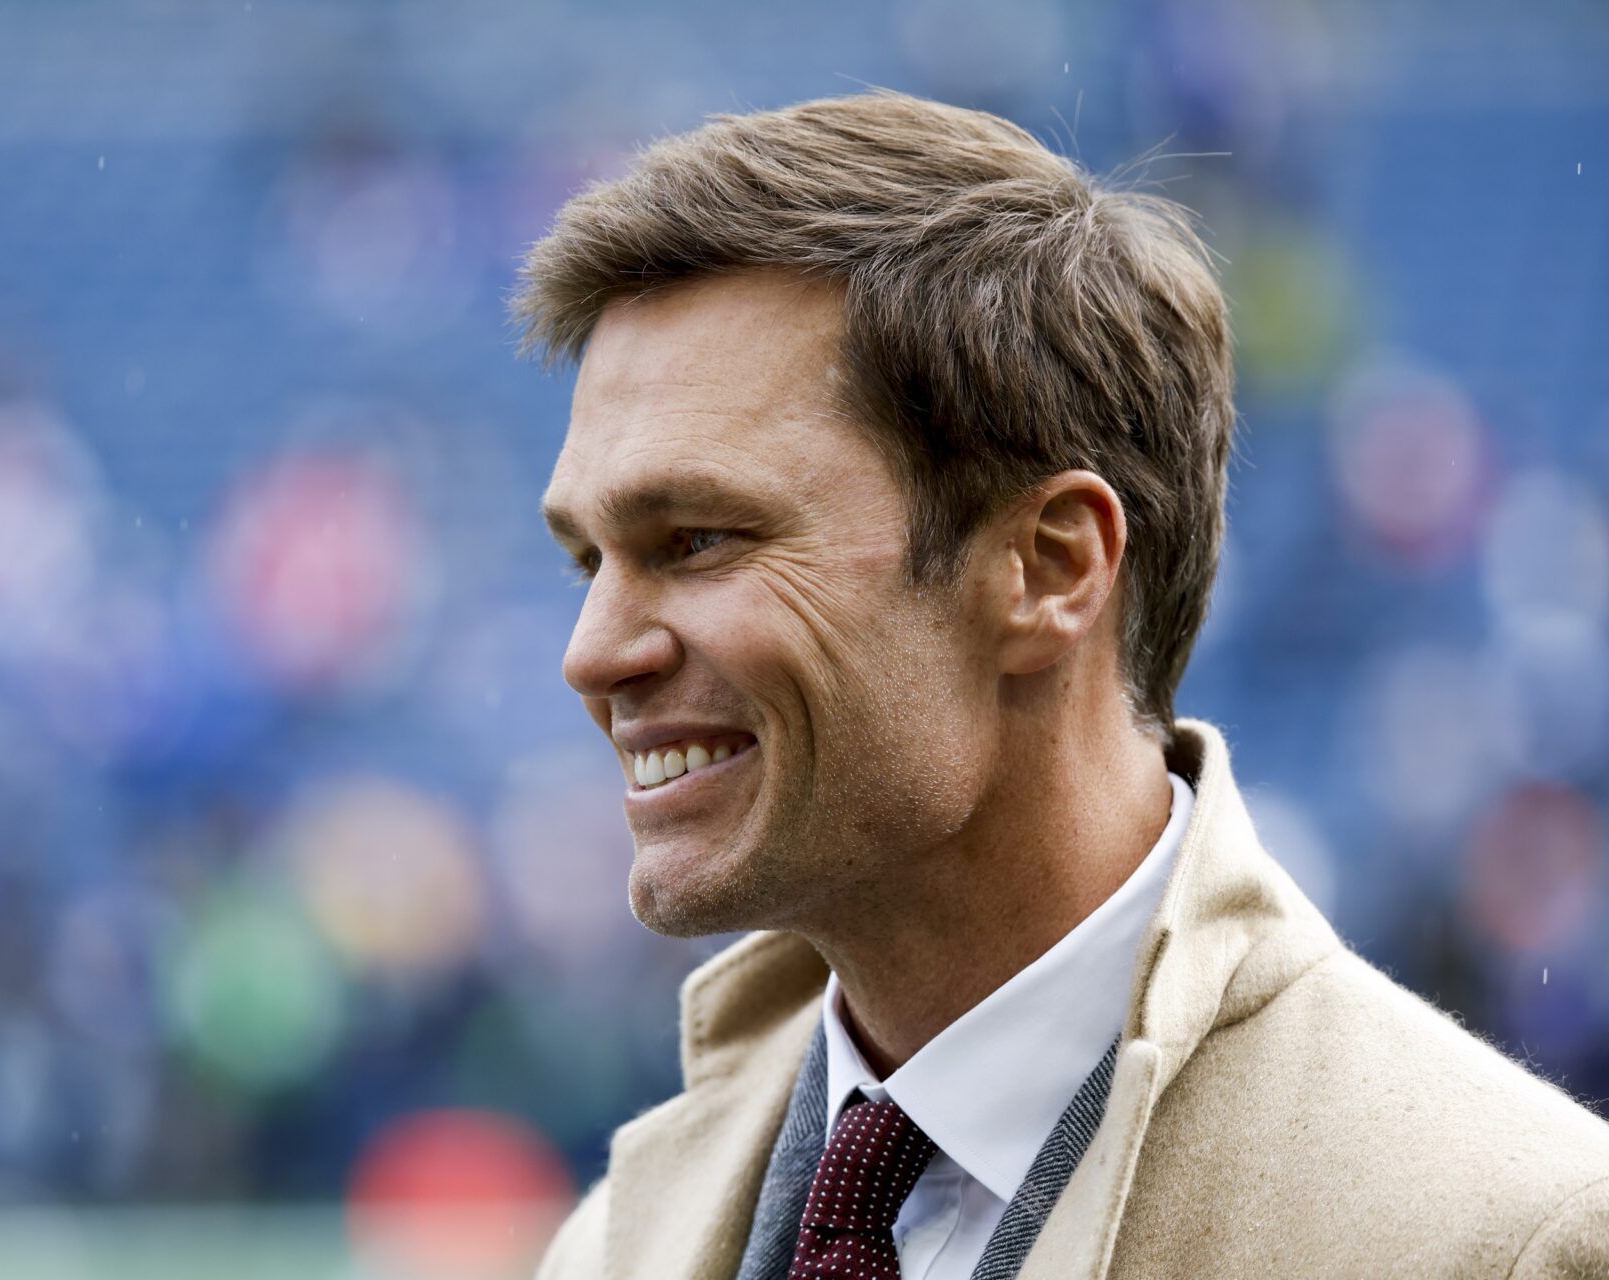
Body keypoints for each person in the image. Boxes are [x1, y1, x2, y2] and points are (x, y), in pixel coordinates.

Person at [515, 91, 1609, 1279]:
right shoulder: (618, 1240)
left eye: (699, 539)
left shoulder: (1501, 1239)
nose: (591, 650)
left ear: (1048, 568)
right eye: (588, 559)